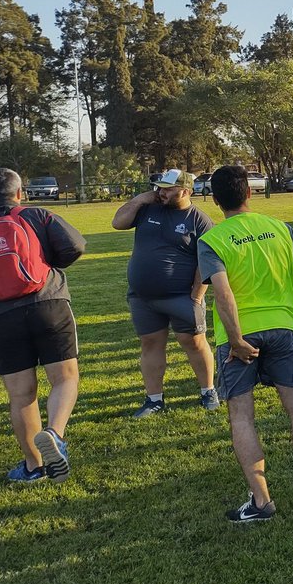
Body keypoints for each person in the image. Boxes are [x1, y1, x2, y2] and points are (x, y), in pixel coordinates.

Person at [198, 166, 293, 522]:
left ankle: (262, 502)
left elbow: (223, 292)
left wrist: (235, 339)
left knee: (242, 416)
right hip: (283, 328)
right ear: (250, 193)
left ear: (216, 201)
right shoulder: (281, 228)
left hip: (240, 337)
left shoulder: (213, 240)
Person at [0, 168, 86, 483]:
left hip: (1, 316)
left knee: (21, 395)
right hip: (49, 304)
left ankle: (34, 467)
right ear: (20, 193)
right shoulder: (38, 216)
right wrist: (47, 263)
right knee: (65, 379)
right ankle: (55, 435)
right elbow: (75, 246)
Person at [111, 169, 217, 418]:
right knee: (150, 343)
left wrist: (197, 295)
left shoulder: (198, 220)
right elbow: (118, 223)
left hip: (182, 297)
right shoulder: (147, 208)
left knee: (193, 342)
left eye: (167, 188)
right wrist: (139, 199)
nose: (161, 192)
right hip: (143, 297)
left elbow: (207, 260)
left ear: (186, 191)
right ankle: (154, 400)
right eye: (159, 187)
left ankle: (208, 391)